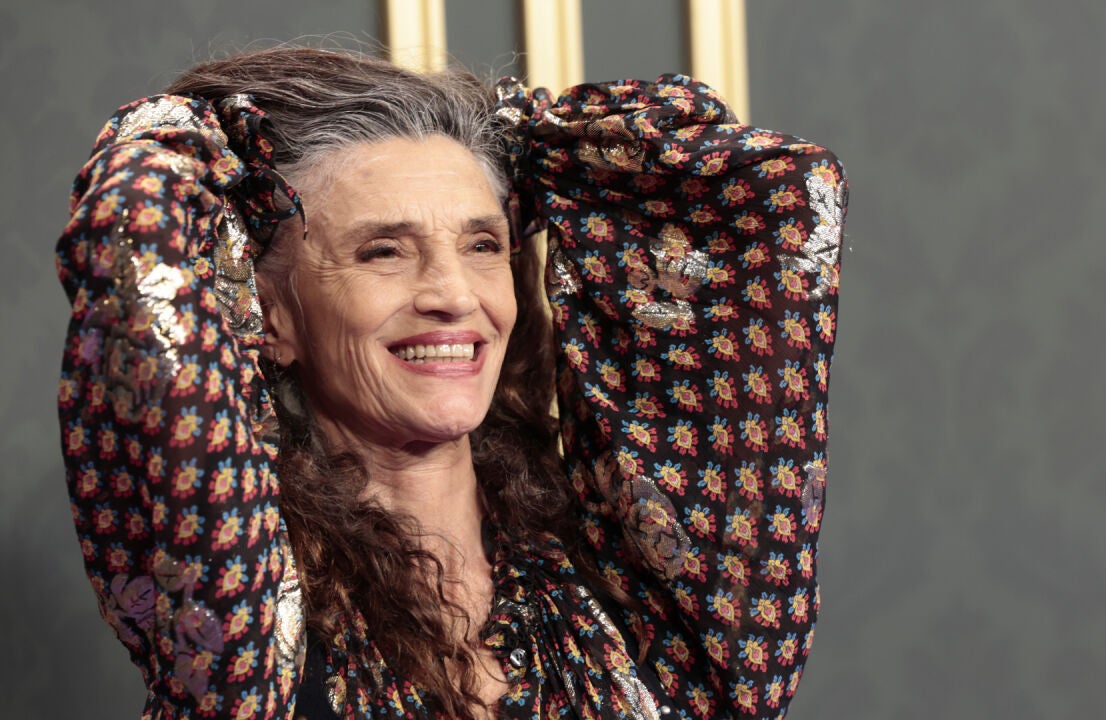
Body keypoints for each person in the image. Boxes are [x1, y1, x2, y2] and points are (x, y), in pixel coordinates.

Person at [55, 46, 846, 720]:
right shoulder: (249, 615)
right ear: (272, 316)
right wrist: (196, 136)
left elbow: (781, 193)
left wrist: (541, 136)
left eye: (481, 246)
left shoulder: (628, 577)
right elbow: (133, 234)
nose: (454, 295)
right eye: (383, 251)